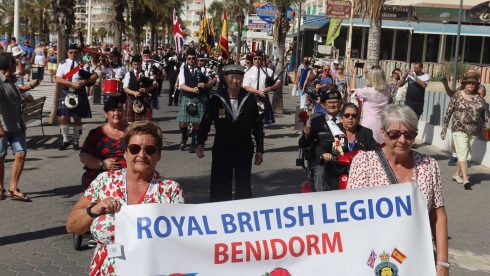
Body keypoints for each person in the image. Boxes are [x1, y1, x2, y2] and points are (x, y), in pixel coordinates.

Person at [67, 121, 184, 275]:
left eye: (149, 150)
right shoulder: (105, 181)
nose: (141, 155)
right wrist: (94, 209)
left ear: (158, 155)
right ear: (125, 152)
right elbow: (72, 226)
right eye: (134, 149)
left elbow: (180, 242)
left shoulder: (170, 190)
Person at [348, 104, 448, 276]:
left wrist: (442, 263)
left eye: (409, 134)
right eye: (395, 134)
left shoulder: (429, 165)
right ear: (383, 133)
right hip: (374, 259)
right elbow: (351, 216)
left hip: (417, 256)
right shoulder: (364, 162)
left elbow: (438, 215)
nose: (402, 140)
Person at [196, 64, 264, 202]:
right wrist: (200, 142)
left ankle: (243, 215)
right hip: (222, 148)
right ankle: (218, 214)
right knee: (220, 185)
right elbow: (206, 122)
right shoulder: (216, 98)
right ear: (225, 78)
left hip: (244, 149)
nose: (235, 81)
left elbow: (257, 126)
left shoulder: (249, 99)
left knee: (243, 186)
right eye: (232, 77)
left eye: (239, 78)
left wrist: (260, 150)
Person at [0, 52, 40, 201]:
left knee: (21, 154)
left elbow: (16, 92)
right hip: (3, 126)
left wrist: (31, 85)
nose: (16, 64)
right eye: (13, 62)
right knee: (1, 157)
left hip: (17, 125)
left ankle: (13, 187)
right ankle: (0, 188)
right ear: (7, 64)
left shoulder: (10, 79)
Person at [441, 73, 490, 189]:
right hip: (459, 128)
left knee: (467, 155)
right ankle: (466, 179)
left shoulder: (479, 98)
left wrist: (487, 126)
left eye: (473, 83)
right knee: (463, 152)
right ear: (464, 84)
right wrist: (444, 128)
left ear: (476, 85)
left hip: (473, 130)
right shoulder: (457, 95)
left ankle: (456, 174)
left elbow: (485, 115)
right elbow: (449, 111)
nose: (471, 85)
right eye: (469, 83)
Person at [299, 90, 343, 191]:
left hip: (343, 159)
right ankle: (321, 201)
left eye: (335, 102)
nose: (332, 105)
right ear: (324, 105)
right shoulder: (316, 122)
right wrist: (306, 135)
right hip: (322, 161)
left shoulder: (347, 119)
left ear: (340, 103)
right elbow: (304, 144)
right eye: (329, 102)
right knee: (320, 173)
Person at [79, 97, 127, 190]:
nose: (116, 113)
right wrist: (101, 164)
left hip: (127, 175)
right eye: (112, 110)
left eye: (120, 110)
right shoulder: (96, 133)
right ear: (106, 114)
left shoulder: (132, 132)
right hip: (100, 174)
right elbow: (84, 156)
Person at [56, 45, 97, 150]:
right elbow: (58, 79)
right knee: (63, 117)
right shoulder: (63, 64)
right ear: (67, 53)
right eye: (71, 52)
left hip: (79, 92)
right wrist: (72, 84)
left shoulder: (84, 64)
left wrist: (86, 81)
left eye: (75, 52)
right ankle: (65, 139)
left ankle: (75, 140)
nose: (73, 54)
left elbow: (95, 75)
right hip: (67, 91)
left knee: (77, 117)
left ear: (78, 53)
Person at [177, 48, 212, 152]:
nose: (191, 60)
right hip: (187, 97)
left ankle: (193, 142)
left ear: (195, 59)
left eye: (193, 58)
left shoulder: (200, 70)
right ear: (186, 59)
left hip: (198, 98)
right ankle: (184, 137)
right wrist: (192, 89)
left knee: (196, 123)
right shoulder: (183, 70)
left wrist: (205, 84)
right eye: (189, 58)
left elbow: (211, 81)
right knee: (183, 122)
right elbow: (181, 86)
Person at [350, 65, 391, 144]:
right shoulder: (388, 89)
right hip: (382, 122)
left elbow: (352, 91)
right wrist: (366, 74)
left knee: (367, 148)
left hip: (369, 123)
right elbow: (373, 84)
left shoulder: (369, 91)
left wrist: (354, 75)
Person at [243, 51, 281, 124]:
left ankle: (259, 133)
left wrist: (270, 88)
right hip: (251, 98)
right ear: (253, 60)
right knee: (250, 119)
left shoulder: (268, 71)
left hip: (262, 99)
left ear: (262, 60)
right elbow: (246, 86)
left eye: (259, 59)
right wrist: (257, 91)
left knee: (260, 120)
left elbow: (278, 82)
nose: (257, 60)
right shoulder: (248, 72)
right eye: (255, 58)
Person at [122, 55, 156, 123]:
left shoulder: (146, 73)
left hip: (144, 99)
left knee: (144, 123)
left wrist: (146, 89)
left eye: (138, 64)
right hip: (131, 99)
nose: (136, 66)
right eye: (135, 64)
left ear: (141, 64)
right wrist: (134, 93)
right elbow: (125, 88)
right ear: (132, 64)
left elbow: (154, 84)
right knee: (130, 123)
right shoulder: (128, 74)